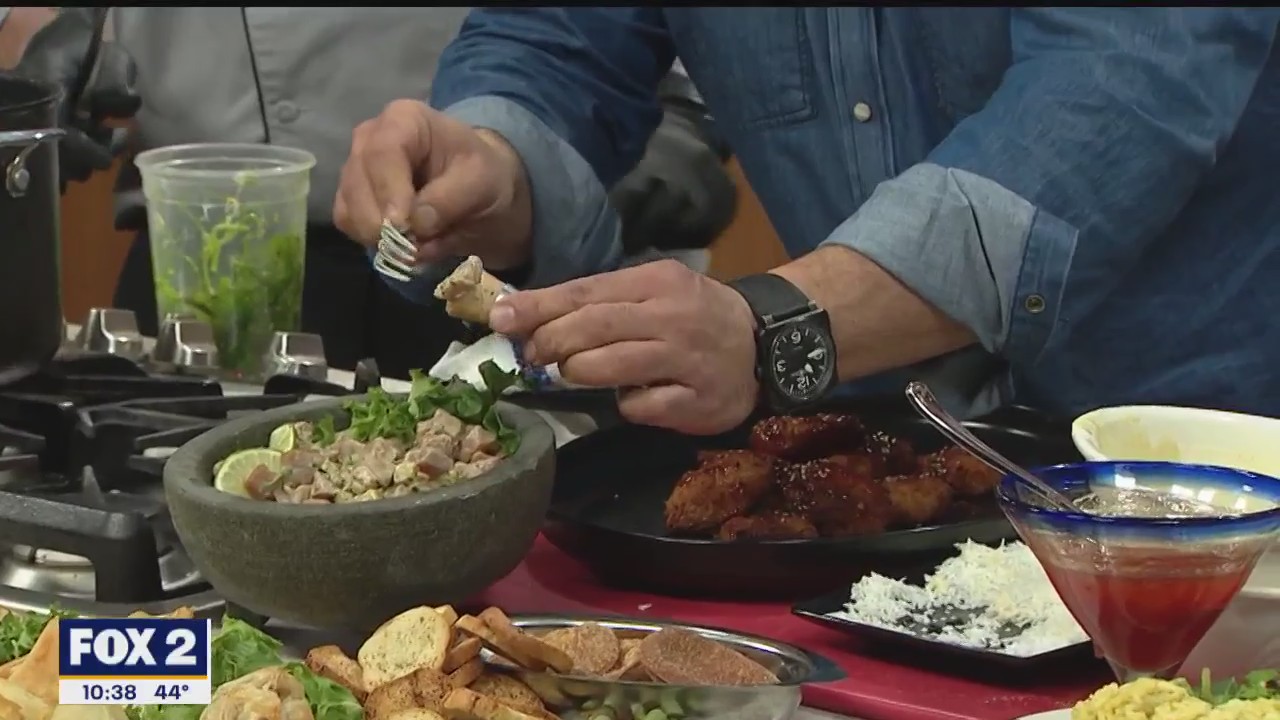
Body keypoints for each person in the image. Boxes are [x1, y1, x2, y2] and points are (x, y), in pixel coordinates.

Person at [333, 7, 1280, 433]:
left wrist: (774, 324)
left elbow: (1118, 96)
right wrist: (492, 161)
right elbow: (556, 40)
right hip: (868, 476)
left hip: (1209, 472)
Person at [0, 7, 736, 379]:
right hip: (197, 250)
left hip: (500, 247)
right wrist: (36, 31)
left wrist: (680, 118)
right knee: (178, 644)